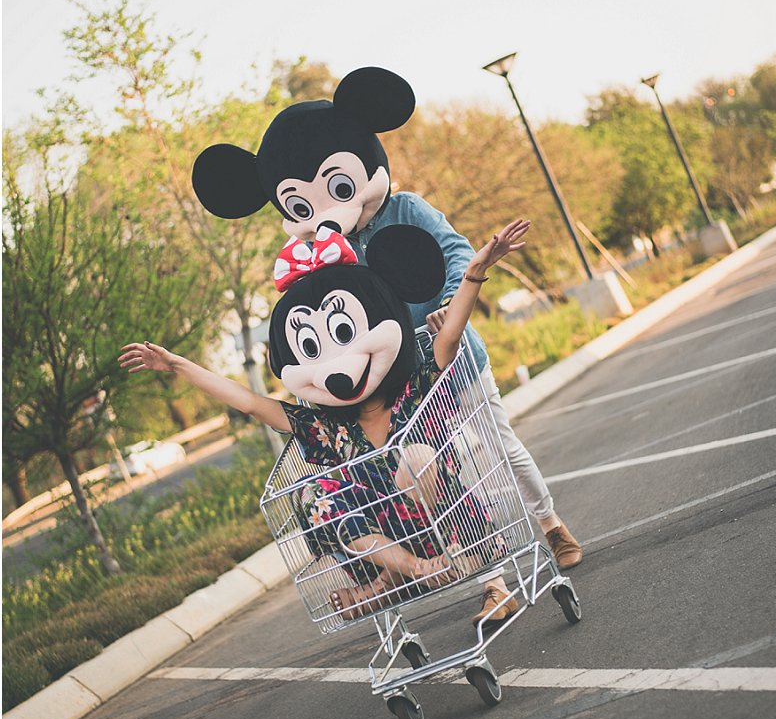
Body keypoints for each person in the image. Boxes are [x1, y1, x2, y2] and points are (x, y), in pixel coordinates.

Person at [191, 66, 582, 628]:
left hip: (447, 359)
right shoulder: (320, 255)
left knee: (498, 448)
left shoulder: (406, 210)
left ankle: (549, 523)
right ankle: (493, 582)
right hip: (394, 388)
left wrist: (449, 301)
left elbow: (455, 251)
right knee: (447, 476)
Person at [120, 219, 530, 626]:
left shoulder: (416, 393)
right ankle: (408, 571)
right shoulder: (328, 429)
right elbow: (250, 402)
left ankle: (405, 583)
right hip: (392, 545)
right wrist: (178, 365)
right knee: (313, 495)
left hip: (454, 529)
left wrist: (475, 272)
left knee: (416, 459)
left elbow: (449, 337)